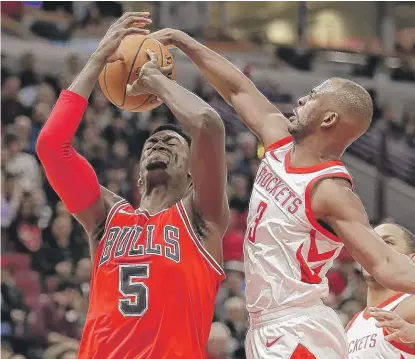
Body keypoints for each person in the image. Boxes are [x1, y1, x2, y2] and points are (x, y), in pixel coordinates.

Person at [151, 28, 415, 358]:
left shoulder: (330, 190)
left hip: (297, 328)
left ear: (329, 118)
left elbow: (388, 264)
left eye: (313, 96)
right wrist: (183, 41)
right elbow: (237, 89)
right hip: (265, 326)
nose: (302, 99)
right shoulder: (277, 143)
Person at [36, 13, 229, 359]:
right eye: (151, 144)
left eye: (173, 144)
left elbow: (207, 125)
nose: (159, 144)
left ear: (192, 176)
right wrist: (97, 60)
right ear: (138, 175)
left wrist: (155, 80)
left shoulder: (202, 218)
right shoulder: (106, 217)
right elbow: (51, 146)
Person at [346, 223, 415, 358]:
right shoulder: (353, 324)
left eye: (388, 242)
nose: (374, 250)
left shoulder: (410, 305)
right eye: (371, 243)